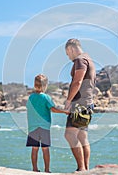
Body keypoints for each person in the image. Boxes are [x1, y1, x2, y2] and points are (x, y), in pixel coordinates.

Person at [64, 38, 96, 171]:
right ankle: (86, 169)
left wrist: (69, 100)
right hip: (88, 103)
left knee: (69, 135)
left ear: (71, 49)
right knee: (82, 136)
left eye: (67, 53)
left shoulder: (80, 60)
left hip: (80, 103)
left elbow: (77, 81)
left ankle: (81, 169)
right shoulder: (89, 59)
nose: (68, 57)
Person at [26, 74, 68, 173]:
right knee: (45, 149)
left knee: (34, 149)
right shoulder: (46, 97)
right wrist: (64, 112)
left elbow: (29, 109)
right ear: (45, 85)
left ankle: (35, 169)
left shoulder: (31, 97)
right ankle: (47, 170)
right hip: (44, 127)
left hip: (32, 127)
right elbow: (53, 109)